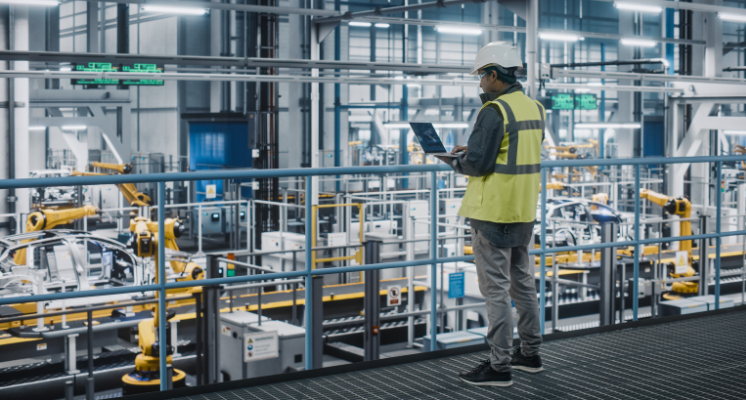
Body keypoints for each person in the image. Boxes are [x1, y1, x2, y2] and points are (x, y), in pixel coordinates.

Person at [436, 41, 545, 388]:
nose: (480, 83)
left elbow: (478, 164)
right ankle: (529, 354)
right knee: (523, 283)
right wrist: (477, 148)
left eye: (482, 76)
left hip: (493, 210)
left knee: (495, 290)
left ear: (495, 75)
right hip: (523, 208)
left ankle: (499, 367)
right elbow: (512, 150)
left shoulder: (493, 111)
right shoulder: (534, 108)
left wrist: (454, 160)